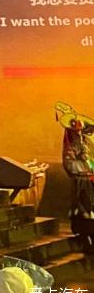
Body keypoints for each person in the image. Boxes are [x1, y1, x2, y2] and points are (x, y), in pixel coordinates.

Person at [56, 102, 94, 252]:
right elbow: (69, 164)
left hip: (91, 181)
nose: (79, 131)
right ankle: (87, 240)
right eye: (76, 128)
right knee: (85, 212)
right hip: (82, 183)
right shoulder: (70, 146)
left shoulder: (88, 143)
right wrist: (85, 170)